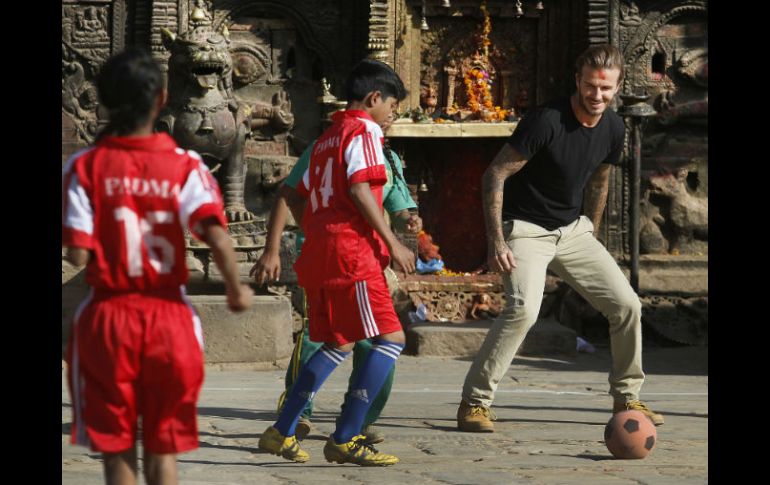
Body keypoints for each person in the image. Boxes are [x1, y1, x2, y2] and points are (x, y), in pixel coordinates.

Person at [62, 48, 254, 485]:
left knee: (117, 452)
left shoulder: (85, 167)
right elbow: (216, 235)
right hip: (170, 319)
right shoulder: (185, 165)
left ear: (103, 101)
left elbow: (77, 255)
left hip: (108, 318)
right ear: (162, 99)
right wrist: (235, 288)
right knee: (163, 449)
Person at [456, 44, 665, 433]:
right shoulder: (546, 121)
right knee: (523, 310)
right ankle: (475, 403)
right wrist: (496, 241)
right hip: (525, 229)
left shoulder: (613, 128)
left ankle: (627, 397)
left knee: (627, 306)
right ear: (577, 81)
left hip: (573, 231)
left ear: (617, 87)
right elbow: (494, 174)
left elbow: (600, 180)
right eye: (590, 86)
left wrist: (590, 232)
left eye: (605, 88)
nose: (597, 95)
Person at [257, 59, 415, 466]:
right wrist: (393, 243)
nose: (392, 114)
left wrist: (317, 230)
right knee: (391, 339)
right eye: (392, 105)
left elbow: (294, 196)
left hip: (320, 253)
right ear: (374, 98)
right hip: (353, 255)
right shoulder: (364, 131)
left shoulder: (327, 139)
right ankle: (346, 436)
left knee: (338, 342)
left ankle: (281, 430)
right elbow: (361, 190)